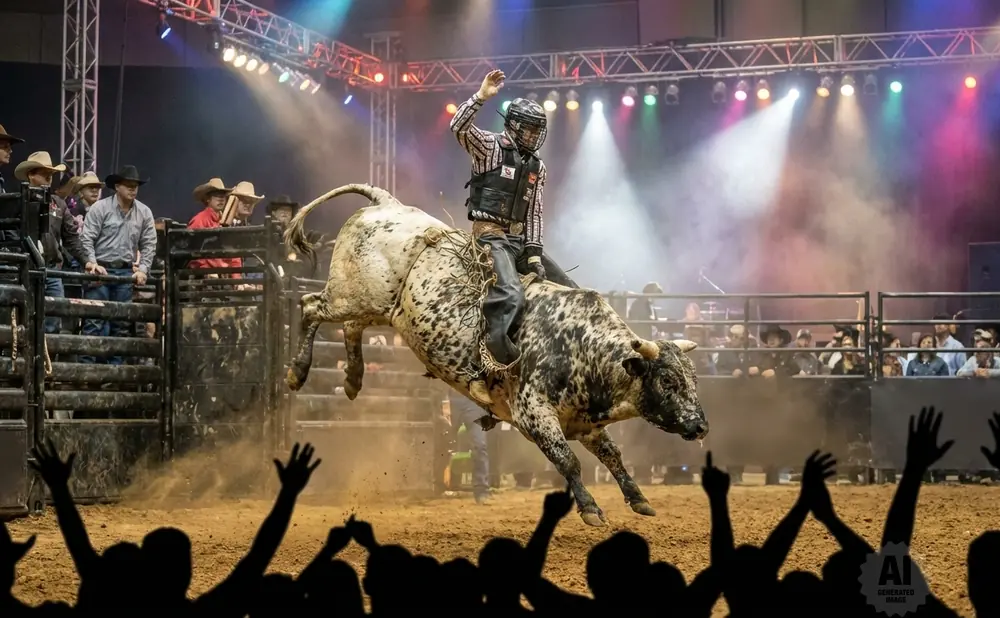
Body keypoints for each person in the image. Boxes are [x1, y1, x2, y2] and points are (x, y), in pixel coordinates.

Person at [450, 70, 577, 403]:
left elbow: (534, 213)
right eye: (529, 129)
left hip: (519, 241)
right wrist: (481, 97)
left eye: (538, 130)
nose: (534, 136)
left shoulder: (537, 167)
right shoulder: (489, 146)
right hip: (489, 235)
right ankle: (488, 366)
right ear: (514, 125)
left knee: (570, 290)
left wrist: (534, 254)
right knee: (510, 294)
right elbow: (458, 127)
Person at [79, 165, 157, 365]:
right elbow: (86, 239)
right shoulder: (100, 208)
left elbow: (149, 244)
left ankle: (114, 371)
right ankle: (86, 370)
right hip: (101, 270)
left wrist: (143, 269)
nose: (133, 189)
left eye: (135, 185)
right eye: (128, 185)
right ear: (117, 187)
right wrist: (92, 263)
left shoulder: (144, 212)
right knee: (94, 321)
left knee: (120, 323)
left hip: (124, 272)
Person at [448, 392, 491, 504]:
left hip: (473, 400)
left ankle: (481, 491)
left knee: (480, 445)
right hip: (450, 398)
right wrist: (443, 400)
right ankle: (435, 486)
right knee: (442, 441)